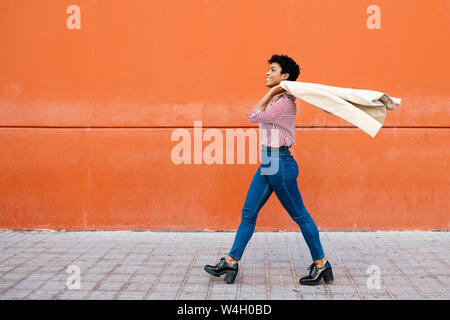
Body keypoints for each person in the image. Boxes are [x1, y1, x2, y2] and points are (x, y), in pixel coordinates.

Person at [204, 54, 333, 286]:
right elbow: (256, 114)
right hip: (268, 163)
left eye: (272, 70)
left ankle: (321, 263)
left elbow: (253, 115)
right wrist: (272, 93)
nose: (267, 73)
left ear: (284, 76)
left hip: (280, 163)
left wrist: (272, 92)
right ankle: (231, 261)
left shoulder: (283, 102)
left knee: (300, 215)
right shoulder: (277, 100)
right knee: (248, 213)